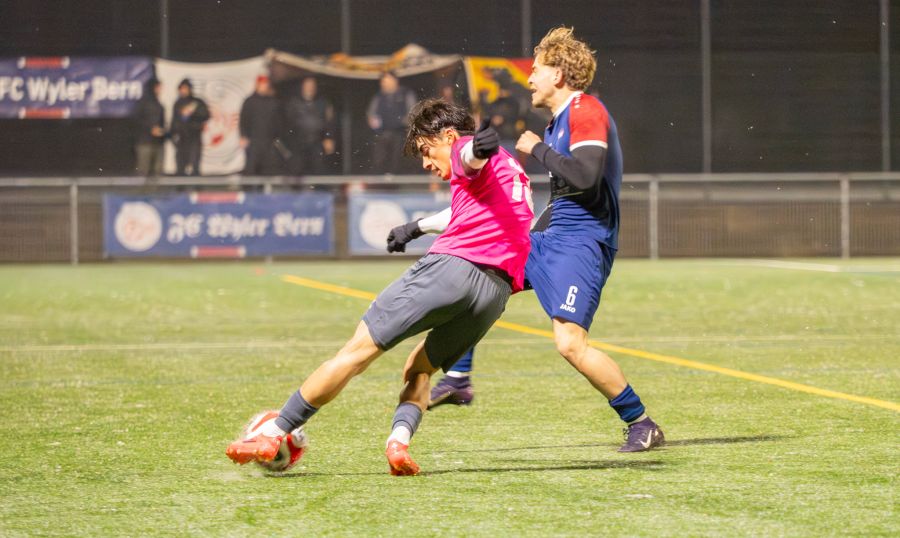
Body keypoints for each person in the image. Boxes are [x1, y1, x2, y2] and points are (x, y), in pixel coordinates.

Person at [386, 27, 665, 452]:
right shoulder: (556, 123)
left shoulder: (584, 110)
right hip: (554, 238)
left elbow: (587, 180)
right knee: (477, 279)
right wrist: (418, 227)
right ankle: (458, 377)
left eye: (535, 71)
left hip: (583, 244)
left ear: (559, 73)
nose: (529, 79)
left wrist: (537, 149)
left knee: (570, 344)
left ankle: (641, 422)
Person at [226, 99, 533, 475]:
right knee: (420, 369)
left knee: (356, 353)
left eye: (425, 150)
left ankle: (274, 432)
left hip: (454, 270)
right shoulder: (507, 166)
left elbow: (468, 155)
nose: (425, 162)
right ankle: (398, 444)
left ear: (449, 136)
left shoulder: (468, 153)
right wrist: (415, 227)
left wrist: (475, 145)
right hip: (495, 292)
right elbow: (470, 203)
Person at [283, 76, 336, 176]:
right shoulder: (293, 103)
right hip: (298, 143)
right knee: (296, 170)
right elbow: (287, 124)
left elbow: (329, 123)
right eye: (307, 85)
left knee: (319, 170)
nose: (310, 88)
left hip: (317, 142)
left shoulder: (323, 103)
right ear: (302, 87)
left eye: (312, 86)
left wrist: (329, 137)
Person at [366, 72, 417, 174]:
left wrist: (401, 122)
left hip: (401, 133)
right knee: (379, 157)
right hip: (382, 133)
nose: (385, 84)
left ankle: (395, 176)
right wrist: (372, 120)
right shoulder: (379, 96)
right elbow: (371, 113)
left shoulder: (405, 94)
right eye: (383, 82)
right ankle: (381, 176)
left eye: (387, 81)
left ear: (395, 81)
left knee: (397, 157)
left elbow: (413, 112)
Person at [239, 75, 282, 175]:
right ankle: (249, 190)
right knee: (251, 168)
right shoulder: (249, 101)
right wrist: (243, 135)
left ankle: (265, 190)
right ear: (257, 85)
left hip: (269, 141)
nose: (265, 86)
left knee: (268, 168)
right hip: (254, 140)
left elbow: (278, 121)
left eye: (266, 84)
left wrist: (277, 137)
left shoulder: (273, 102)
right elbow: (243, 120)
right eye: (263, 84)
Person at [171, 78, 210, 176]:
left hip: (194, 138)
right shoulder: (177, 103)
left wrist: (192, 113)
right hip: (182, 139)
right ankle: (180, 189)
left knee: (195, 165)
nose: (183, 91)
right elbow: (174, 121)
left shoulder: (197, 102)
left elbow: (206, 115)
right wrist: (172, 135)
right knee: (180, 166)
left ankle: (196, 188)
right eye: (181, 89)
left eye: (185, 88)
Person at [132, 77, 165, 179]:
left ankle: (156, 193)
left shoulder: (159, 104)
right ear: (153, 88)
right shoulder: (143, 102)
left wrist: (162, 131)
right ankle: (140, 194)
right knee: (143, 170)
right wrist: (150, 129)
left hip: (158, 142)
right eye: (159, 87)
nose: (161, 90)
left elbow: (161, 122)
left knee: (158, 170)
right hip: (145, 142)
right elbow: (137, 120)